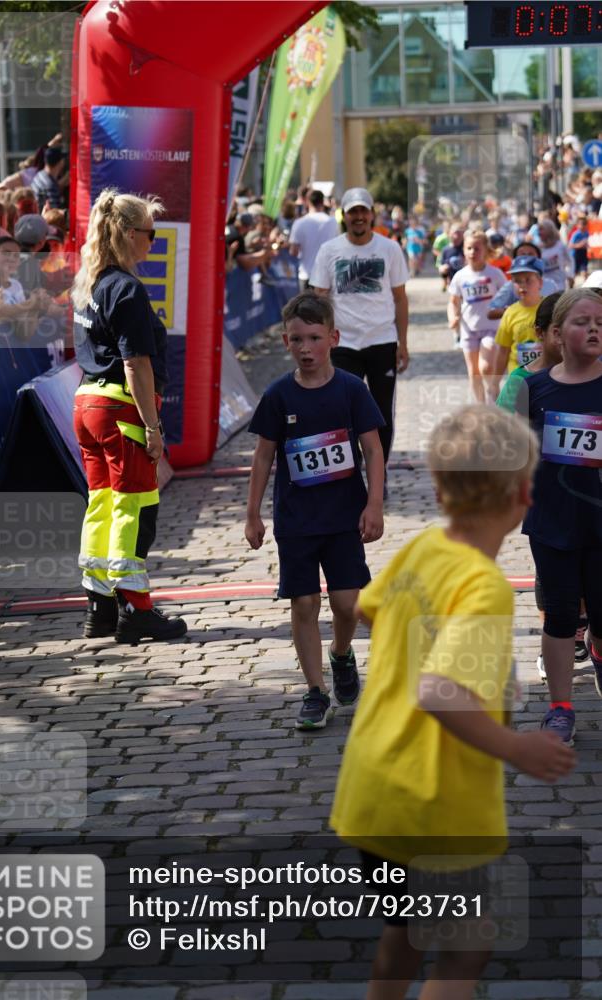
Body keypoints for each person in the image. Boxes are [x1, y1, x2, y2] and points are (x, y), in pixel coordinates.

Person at [330, 405, 575, 1000]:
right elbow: (439, 692)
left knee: (407, 935)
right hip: (434, 803)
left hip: (372, 789)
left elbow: (362, 608)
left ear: (439, 487)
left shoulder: (423, 548)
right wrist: (516, 746)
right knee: (466, 947)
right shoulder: (484, 585)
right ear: (524, 494)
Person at [245, 291, 385, 730]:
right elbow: (264, 456)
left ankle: (341, 654)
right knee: (304, 603)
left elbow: (372, 450)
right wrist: (252, 513)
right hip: (296, 520)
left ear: (333, 338)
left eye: (314, 338)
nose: (305, 349)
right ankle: (314, 691)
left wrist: (374, 503)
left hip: (344, 516)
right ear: (286, 342)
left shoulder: (350, 389)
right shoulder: (278, 395)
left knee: (347, 604)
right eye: (296, 340)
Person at [71, 187, 187, 644]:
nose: (152, 243)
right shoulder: (126, 288)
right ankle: (136, 609)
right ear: (127, 234)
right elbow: (136, 363)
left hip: (88, 404)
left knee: (102, 506)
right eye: (150, 234)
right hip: (120, 408)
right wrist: (153, 429)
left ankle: (99, 606)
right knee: (136, 509)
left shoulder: (90, 283)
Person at [523, 289, 602, 744]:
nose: (593, 329)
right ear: (556, 333)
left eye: (600, 322)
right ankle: (560, 708)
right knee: (560, 615)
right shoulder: (533, 389)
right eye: (581, 321)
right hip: (552, 522)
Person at [310, 187, 409, 472]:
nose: (358, 217)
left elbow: (400, 298)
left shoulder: (389, 249)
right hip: (343, 344)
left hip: (382, 340)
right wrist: (320, 341)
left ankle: (379, 471)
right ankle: (349, 472)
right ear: (344, 215)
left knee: (381, 413)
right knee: (343, 411)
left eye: (363, 211)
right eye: (353, 211)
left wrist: (403, 343)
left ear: (371, 214)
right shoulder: (330, 250)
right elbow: (319, 297)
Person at [448, 231, 506, 402]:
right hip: (468, 329)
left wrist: (504, 310)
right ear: (464, 251)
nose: (473, 252)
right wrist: (453, 317)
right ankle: (481, 407)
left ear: (487, 251)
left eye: (477, 248)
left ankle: (493, 393)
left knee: (486, 367)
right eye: (469, 248)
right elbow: (453, 301)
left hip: (492, 327)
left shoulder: (495, 274)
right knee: (473, 372)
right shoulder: (460, 276)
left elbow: (507, 295)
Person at [493, 255, 544, 393]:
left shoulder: (550, 309)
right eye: (517, 281)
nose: (522, 285)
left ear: (540, 282)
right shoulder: (510, 313)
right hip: (517, 380)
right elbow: (503, 350)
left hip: (545, 378)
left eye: (528, 280)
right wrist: (495, 382)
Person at [487, 242, 558, 321]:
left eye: (530, 254)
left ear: (539, 258)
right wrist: (514, 311)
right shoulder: (511, 286)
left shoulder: (551, 285)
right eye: (522, 254)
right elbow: (491, 312)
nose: (526, 257)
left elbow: (559, 311)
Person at [288, 189, 339, 289]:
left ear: (307, 202)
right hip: (326, 276)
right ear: (322, 202)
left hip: (307, 275)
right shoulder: (333, 222)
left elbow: (293, 251)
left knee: (306, 305)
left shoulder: (299, 223)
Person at [437, 224, 465, 289]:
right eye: (454, 233)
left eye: (459, 233)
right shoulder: (446, 250)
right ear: (449, 234)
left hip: (465, 279)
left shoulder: (466, 247)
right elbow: (441, 266)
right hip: (452, 280)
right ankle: (445, 284)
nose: (456, 236)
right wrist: (443, 270)